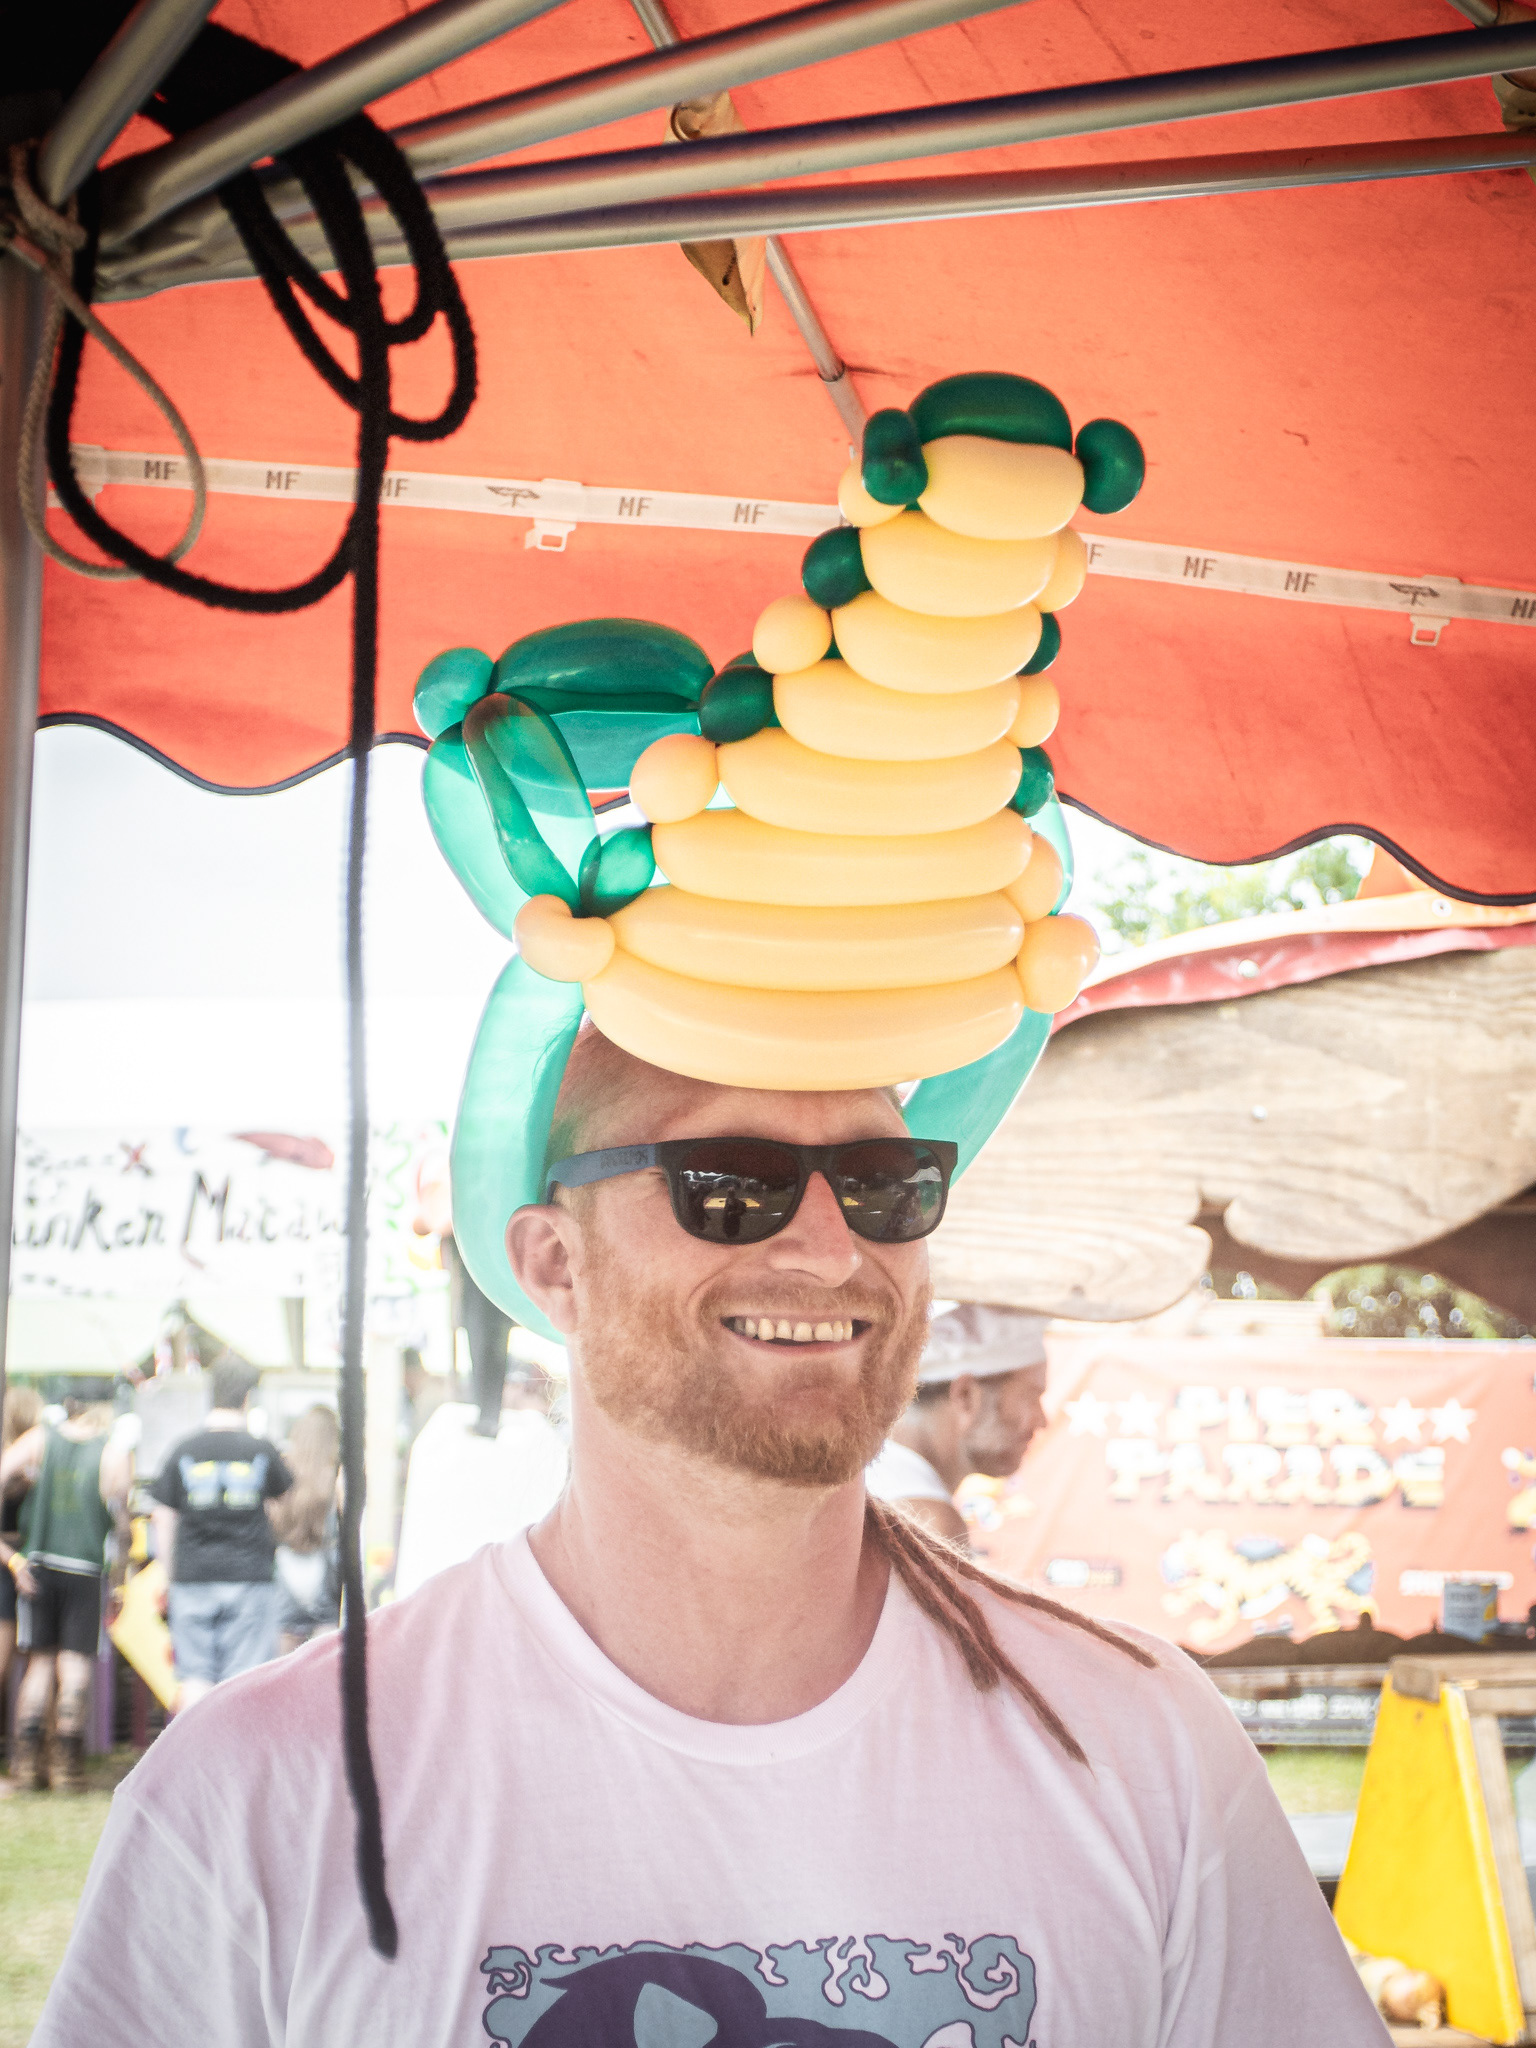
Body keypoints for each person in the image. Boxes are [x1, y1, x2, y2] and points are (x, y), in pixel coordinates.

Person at [34, 1029, 1385, 2046]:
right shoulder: (268, 1793)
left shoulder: (1142, 1746)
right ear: (555, 1264)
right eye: (729, 1184)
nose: (830, 1251)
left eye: (886, 1182)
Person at [0, 1394, 131, 1792]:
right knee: (74, 1664)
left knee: (39, 1663)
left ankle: (26, 1766)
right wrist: (119, 1579)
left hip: (37, 1565)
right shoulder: (113, 1454)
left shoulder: (40, 1439)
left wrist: (10, 1553)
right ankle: (67, 1767)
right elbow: (122, 1525)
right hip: (85, 1569)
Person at [149, 1354, 293, 1708]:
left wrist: (170, 1574)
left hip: (192, 1577)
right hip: (250, 1577)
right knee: (243, 1680)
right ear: (247, 1397)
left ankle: (195, 1744)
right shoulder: (262, 1450)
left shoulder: (184, 1450)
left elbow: (162, 1517)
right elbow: (283, 1510)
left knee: (195, 1677)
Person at [865, 1303, 1049, 1543]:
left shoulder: (868, 1479)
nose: (1042, 1421)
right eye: (1032, 1396)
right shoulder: (930, 1523)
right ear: (966, 1396)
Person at [267, 1404, 341, 1656]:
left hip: (284, 1565)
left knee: (281, 1664)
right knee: (324, 1661)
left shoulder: (282, 1469)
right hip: (325, 1569)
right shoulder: (337, 1476)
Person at [0, 1383, 43, 1789]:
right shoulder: (10, 1464)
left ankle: (21, 1761)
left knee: (19, 1670)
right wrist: (13, 1557)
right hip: (7, 1573)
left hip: (18, 1574)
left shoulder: (27, 1463)